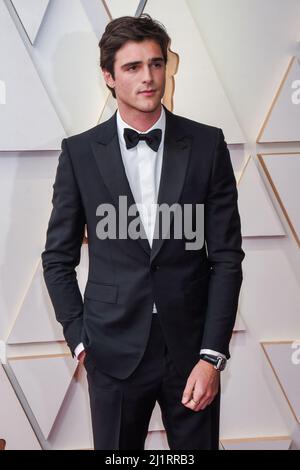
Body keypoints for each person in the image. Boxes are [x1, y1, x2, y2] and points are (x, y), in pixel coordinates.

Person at [41, 14, 245, 450]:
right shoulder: (79, 153)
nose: (149, 78)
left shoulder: (208, 145)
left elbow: (226, 258)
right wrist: (80, 341)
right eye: (132, 67)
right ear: (109, 77)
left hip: (191, 350)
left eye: (156, 64)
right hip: (110, 351)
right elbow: (58, 258)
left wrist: (212, 355)